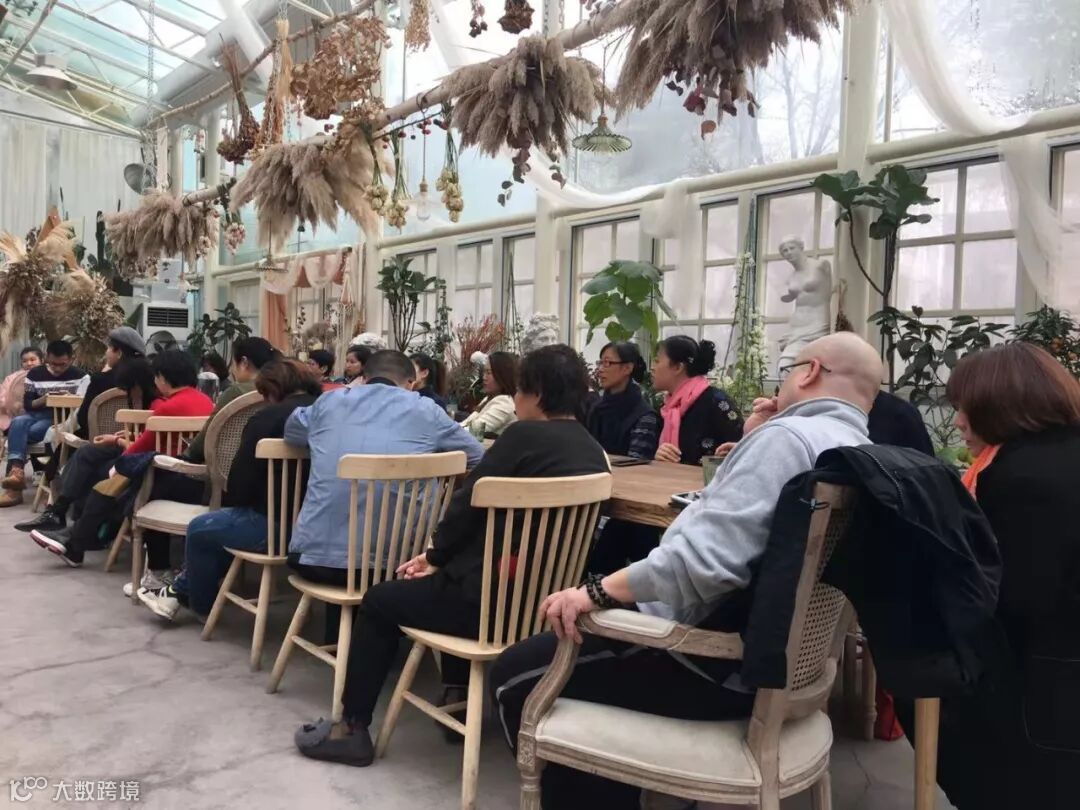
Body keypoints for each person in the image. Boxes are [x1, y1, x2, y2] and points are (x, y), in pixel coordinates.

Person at [488, 333, 883, 807]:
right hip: (785, 668)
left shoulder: (787, 441)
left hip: (707, 664)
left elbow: (701, 565)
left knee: (513, 676)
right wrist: (754, 439)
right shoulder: (862, 451)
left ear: (810, 371)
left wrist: (593, 593)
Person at [293, 345, 611, 768]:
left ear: (535, 393)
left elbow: (466, 506)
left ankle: (352, 729)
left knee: (379, 600)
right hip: (541, 607)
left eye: (518, 390)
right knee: (450, 581)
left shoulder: (521, 436)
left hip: (484, 607)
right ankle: (457, 694)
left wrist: (435, 556)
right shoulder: (594, 452)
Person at [903, 342, 1080, 810]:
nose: (959, 421)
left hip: (1050, 690)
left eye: (966, 408)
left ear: (1001, 406)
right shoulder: (1060, 454)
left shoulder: (1022, 477)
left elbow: (1012, 599)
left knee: (915, 678)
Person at [137, 359, 323, 621]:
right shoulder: (327, 413)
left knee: (202, 529)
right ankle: (177, 591)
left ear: (272, 390)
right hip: (319, 527)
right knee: (223, 526)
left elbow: (238, 486)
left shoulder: (265, 418)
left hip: (274, 528)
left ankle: (197, 604)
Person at [283, 350, 484, 580]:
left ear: (364, 379)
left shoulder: (329, 401)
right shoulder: (427, 410)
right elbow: (477, 456)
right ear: (411, 384)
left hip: (311, 559)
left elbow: (292, 431)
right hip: (398, 566)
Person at [30, 351, 215, 573]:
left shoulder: (167, 408)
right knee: (107, 477)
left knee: (108, 482)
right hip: (198, 479)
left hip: (165, 475)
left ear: (163, 378)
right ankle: (74, 540)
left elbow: (139, 449)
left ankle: (74, 541)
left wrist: (119, 461)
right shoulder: (207, 402)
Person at [16, 357, 159, 534]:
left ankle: (69, 523)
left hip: (142, 459)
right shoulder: (150, 399)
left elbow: (144, 447)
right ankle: (65, 518)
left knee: (88, 459)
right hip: (134, 451)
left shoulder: (155, 404)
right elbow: (145, 439)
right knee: (87, 454)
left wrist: (117, 440)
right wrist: (127, 435)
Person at [0, 340, 85, 505]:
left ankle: (14, 489)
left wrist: (67, 399)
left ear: (71, 359)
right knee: (18, 422)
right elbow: (28, 404)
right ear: (46, 358)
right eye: (53, 364)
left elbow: (83, 405)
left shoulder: (81, 376)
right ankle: (17, 474)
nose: (57, 369)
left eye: (62, 364)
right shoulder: (35, 374)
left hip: (61, 417)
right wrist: (45, 399)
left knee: (20, 433)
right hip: (36, 413)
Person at [186, 337, 279, 464]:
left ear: (244, 362)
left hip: (229, 468)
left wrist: (185, 455)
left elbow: (208, 435)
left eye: (234, 364)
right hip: (270, 469)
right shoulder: (280, 390)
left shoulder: (236, 392)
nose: (232, 370)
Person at [651, 335, 741, 465]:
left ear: (678, 367)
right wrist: (660, 455)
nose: (652, 368)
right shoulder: (667, 408)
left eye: (657, 361)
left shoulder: (716, 402)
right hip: (671, 476)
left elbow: (743, 449)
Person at [585, 341, 659, 459]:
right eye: (600, 363)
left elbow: (636, 461)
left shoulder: (644, 415)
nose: (600, 369)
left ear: (627, 368)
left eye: (607, 363)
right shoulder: (596, 408)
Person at [73, 327, 146, 440]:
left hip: (98, 441)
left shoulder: (100, 380)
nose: (106, 352)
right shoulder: (148, 380)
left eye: (108, 348)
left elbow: (83, 418)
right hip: (135, 441)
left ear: (119, 353)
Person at [460, 351, 518, 437]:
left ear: (502, 375)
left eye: (489, 373)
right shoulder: (488, 399)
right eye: (484, 372)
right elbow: (464, 425)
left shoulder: (504, 403)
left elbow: (473, 431)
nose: (484, 377)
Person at [0, 347, 43, 432]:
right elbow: (2, 398)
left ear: (42, 360)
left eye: (32, 360)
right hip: (12, 417)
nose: (29, 363)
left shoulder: (49, 375)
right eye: (25, 361)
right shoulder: (11, 378)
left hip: (41, 416)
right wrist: (14, 404)